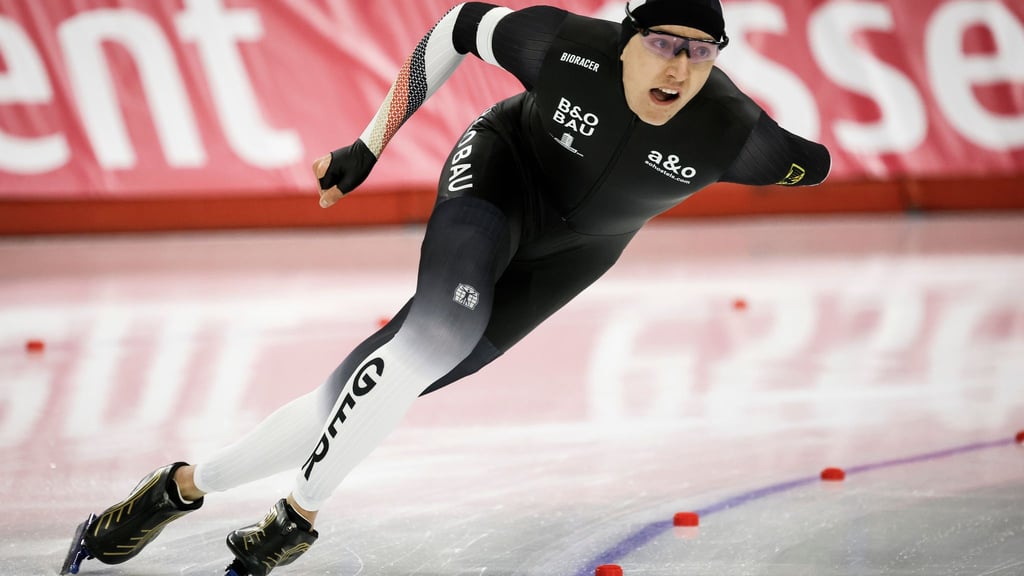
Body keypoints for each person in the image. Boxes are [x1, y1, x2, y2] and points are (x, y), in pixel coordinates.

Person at [62, 1, 831, 574]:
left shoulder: (735, 132)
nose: (679, 68)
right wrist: (368, 146)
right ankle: (297, 518)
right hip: (499, 176)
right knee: (431, 340)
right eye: (664, 44)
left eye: (702, 53)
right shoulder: (567, 48)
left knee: (378, 381)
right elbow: (458, 25)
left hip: (576, 254)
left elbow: (814, 162)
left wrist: (807, 158)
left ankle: (178, 489)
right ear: (627, 35)